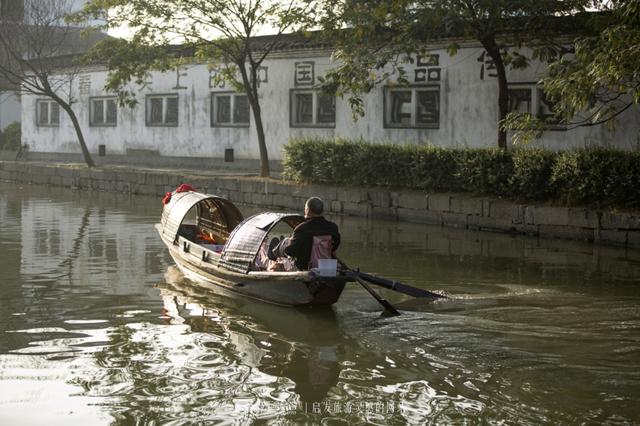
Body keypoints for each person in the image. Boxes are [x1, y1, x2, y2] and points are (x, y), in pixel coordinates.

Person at [268, 197, 340, 270]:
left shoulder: (302, 229)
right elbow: (334, 246)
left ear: (308, 210)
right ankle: (279, 245)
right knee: (285, 242)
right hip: (324, 266)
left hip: (303, 267)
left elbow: (291, 252)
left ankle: (273, 253)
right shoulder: (333, 228)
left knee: (284, 244)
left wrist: (287, 246)